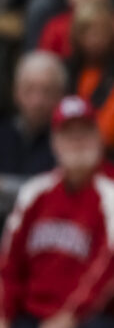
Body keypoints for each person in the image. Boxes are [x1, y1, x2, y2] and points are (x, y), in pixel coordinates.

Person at [0, 95, 114, 328]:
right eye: (69, 134)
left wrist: (69, 317)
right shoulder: (36, 192)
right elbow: (8, 267)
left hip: (103, 321)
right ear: (54, 142)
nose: (77, 141)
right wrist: (2, 320)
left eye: (85, 132)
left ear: (99, 135)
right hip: (33, 316)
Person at [65, 1, 114, 153]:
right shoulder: (65, 72)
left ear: (113, 34)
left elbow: (108, 132)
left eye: (101, 31)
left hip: (111, 158)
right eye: (86, 31)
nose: (94, 38)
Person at [0, 52, 63, 220]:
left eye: (46, 91)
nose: (37, 101)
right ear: (16, 93)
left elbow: (57, 199)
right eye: (29, 90)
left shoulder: (65, 142)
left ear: (60, 95)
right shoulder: (4, 133)